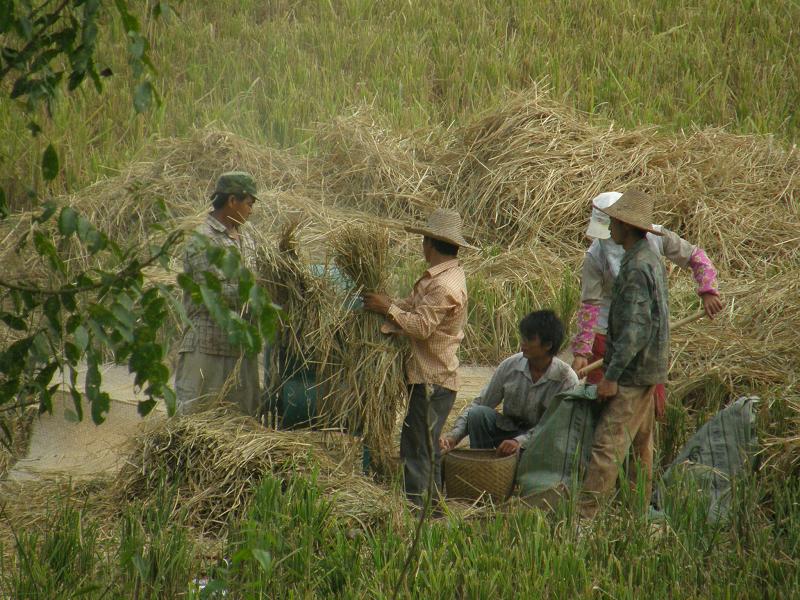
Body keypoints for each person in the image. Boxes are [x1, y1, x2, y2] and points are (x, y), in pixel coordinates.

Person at [570, 191, 723, 416]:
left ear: (624, 224)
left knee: (647, 404)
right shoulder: (595, 255)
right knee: (602, 403)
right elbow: (590, 304)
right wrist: (583, 351)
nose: (610, 233)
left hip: (648, 333)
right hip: (606, 333)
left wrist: (708, 290)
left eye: (613, 225)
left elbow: (696, 257)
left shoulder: (656, 238)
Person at [363, 208, 474, 508]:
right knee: (426, 446)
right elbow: (411, 307)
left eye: (423, 241)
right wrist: (387, 305)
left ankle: (417, 510)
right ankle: (433, 507)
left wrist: (388, 310)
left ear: (429, 243)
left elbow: (421, 327)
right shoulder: (439, 277)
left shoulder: (444, 285)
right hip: (429, 377)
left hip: (432, 380)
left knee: (416, 448)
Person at [579, 189, 669, 519]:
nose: (610, 228)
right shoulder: (645, 257)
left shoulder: (634, 269)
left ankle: (585, 520)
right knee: (640, 447)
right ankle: (636, 517)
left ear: (625, 227)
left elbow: (633, 332)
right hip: (649, 369)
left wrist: (611, 377)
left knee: (607, 445)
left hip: (632, 373)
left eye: (614, 222)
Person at [174, 171, 261, 417]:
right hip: (207, 346)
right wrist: (257, 293)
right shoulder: (202, 240)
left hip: (240, 350)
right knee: (196, 422)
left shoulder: (248, 239)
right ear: (232, 201)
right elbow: (211, 293)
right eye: (249, 203)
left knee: (242, 425)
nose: (251, 210)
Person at [441, 310, 578, 456]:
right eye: (523, 337)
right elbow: (481, 403)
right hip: (508, 431)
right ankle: (483, 464)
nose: (522, 343)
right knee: (477, 414)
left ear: (548, 345)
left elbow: (553, 428)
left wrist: (520, 441)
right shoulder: (510, 366)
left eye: (530, 339)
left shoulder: (566, 380)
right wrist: (454, 436)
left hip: (542, 442)